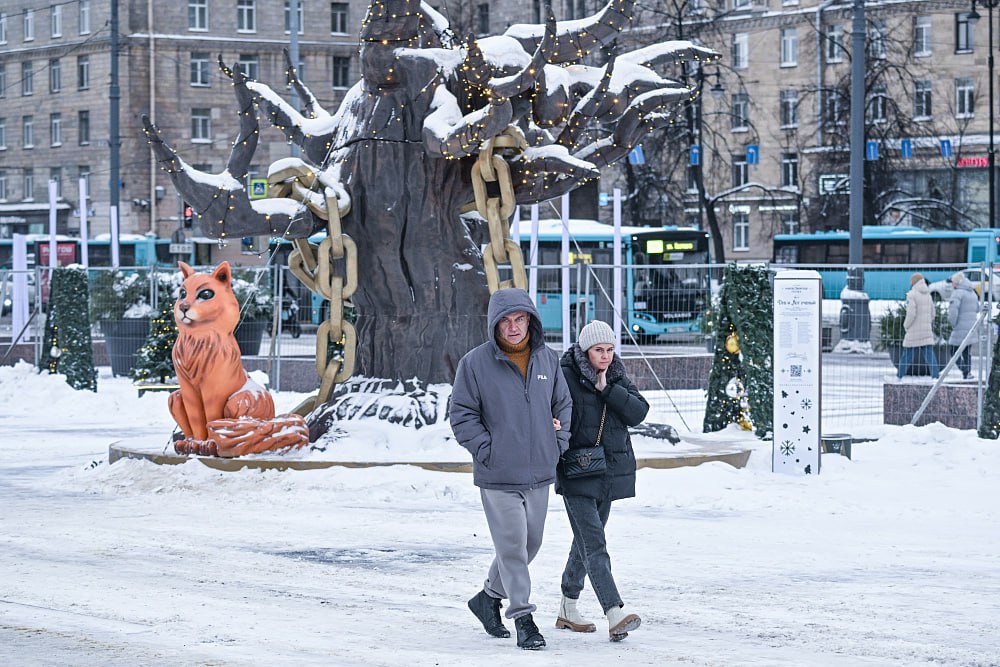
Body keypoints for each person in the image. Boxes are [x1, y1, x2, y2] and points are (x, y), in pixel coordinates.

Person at [449, 287, 573, 650]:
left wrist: (557, 444)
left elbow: (562, 405)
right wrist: (488, 451)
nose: (514, 327)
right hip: (498, 475)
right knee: (513, 547)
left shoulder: (547, 360)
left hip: (539, 473)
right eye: (506, 321)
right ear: (495, 325)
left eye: (520, 319)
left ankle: (488, 598)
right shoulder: (474, 364)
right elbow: (462, 415)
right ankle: (524, 618)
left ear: (531, 321)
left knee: (529, 544)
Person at [555, 320, 649, 641]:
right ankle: (614, 611)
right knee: (595, 545)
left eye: (609, 349)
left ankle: (568, 606)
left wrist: (607, 388)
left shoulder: (617, 375)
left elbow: (638, 412)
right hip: (577, 472)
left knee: (583, 544)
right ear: (585, 350)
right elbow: (547, 409)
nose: (606, 356)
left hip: (607, 474)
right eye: (599, 350)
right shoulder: (565, 375)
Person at [897, 273, 940, 380]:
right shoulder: (928, 295)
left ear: (913, 282)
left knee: (907, 354)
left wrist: (906, 325)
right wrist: (926, 322)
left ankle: (899, 376)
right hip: (926, 330)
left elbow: (911, 314)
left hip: (914, 330)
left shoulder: (911, 294)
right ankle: (935, 376)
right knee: (929, 354)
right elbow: (933, 313)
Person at [948, 272, 979, 380]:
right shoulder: (972, 292)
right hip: (971, 327)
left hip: (960, 326)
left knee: (952, 350)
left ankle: (964, 369)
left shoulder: (957, 293)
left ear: (956, 282)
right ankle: (967, 373)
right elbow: (977, 308)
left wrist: (952, 323)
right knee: (966, 351)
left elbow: (953, 311)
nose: (952, 284)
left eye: (952, 282)